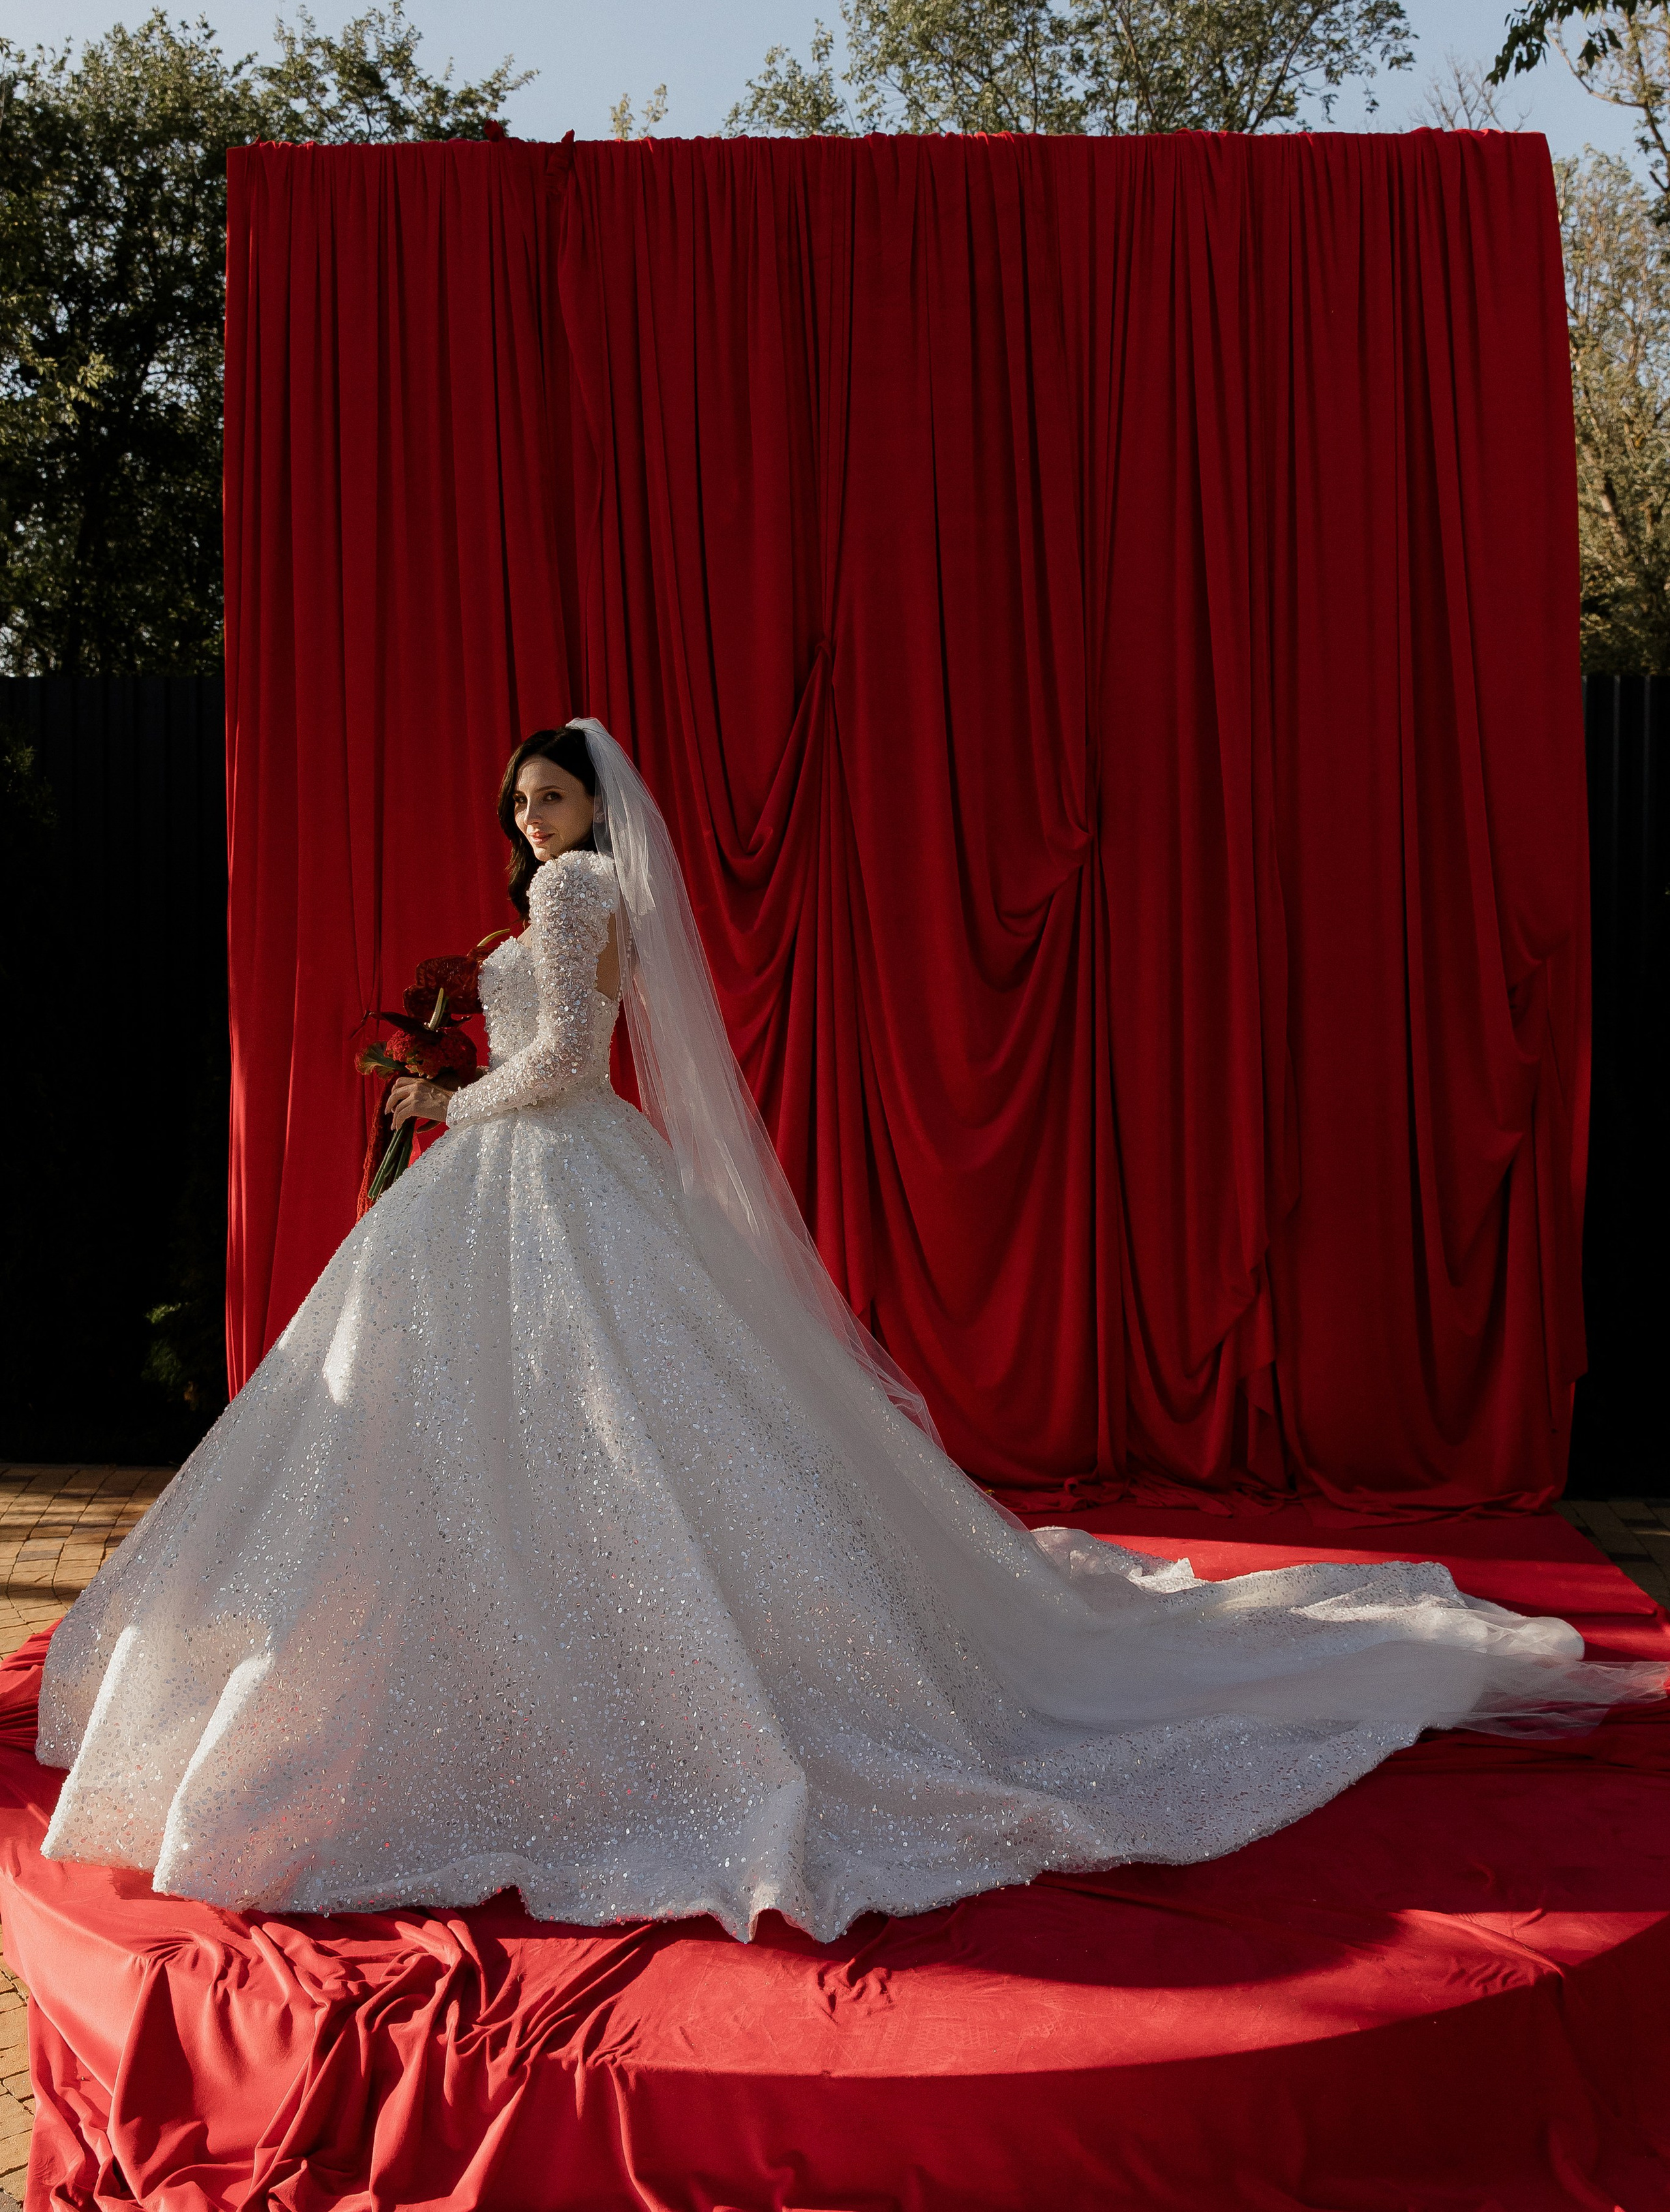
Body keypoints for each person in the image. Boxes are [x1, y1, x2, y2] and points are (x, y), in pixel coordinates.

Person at [36, 722, 1665, 1944]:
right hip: (540, 1185)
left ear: (598, 809)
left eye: (555, 794)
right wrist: (449, 1065)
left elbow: (550, 1069)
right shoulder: (560, 890)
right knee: (574, 1430)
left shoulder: (573, 885)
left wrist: (436, 1094)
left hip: (536, 1167)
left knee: (561, 1432)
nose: (533, 817)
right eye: (523, 798)